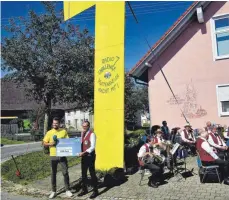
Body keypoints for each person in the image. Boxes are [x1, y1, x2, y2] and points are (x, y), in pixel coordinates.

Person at [43, 117, 73, 199]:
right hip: (53, 156)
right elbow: (44, 143)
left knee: (65, 172)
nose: (55, 124)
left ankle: (67, 190)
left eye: (56, 123)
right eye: (53, 123)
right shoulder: (49, 132)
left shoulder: (63, 131)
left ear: (59, 124)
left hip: (62, 155)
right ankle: (53, 191)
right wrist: (51, 144)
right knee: (53, 174)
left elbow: (68, 142)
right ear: (52, 124)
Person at [77, 121, 98, 199]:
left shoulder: (92, 134)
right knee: (83, 174)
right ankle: (84, 189)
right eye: (83, 126)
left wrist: (84, 152)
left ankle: (95, 191)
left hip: (90, 156)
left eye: (86, 126)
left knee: (92, 174)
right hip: (84, 157)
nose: (84, 127)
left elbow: (92, 147)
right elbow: (81, 143)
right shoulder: (82, 133)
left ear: (89, 126)